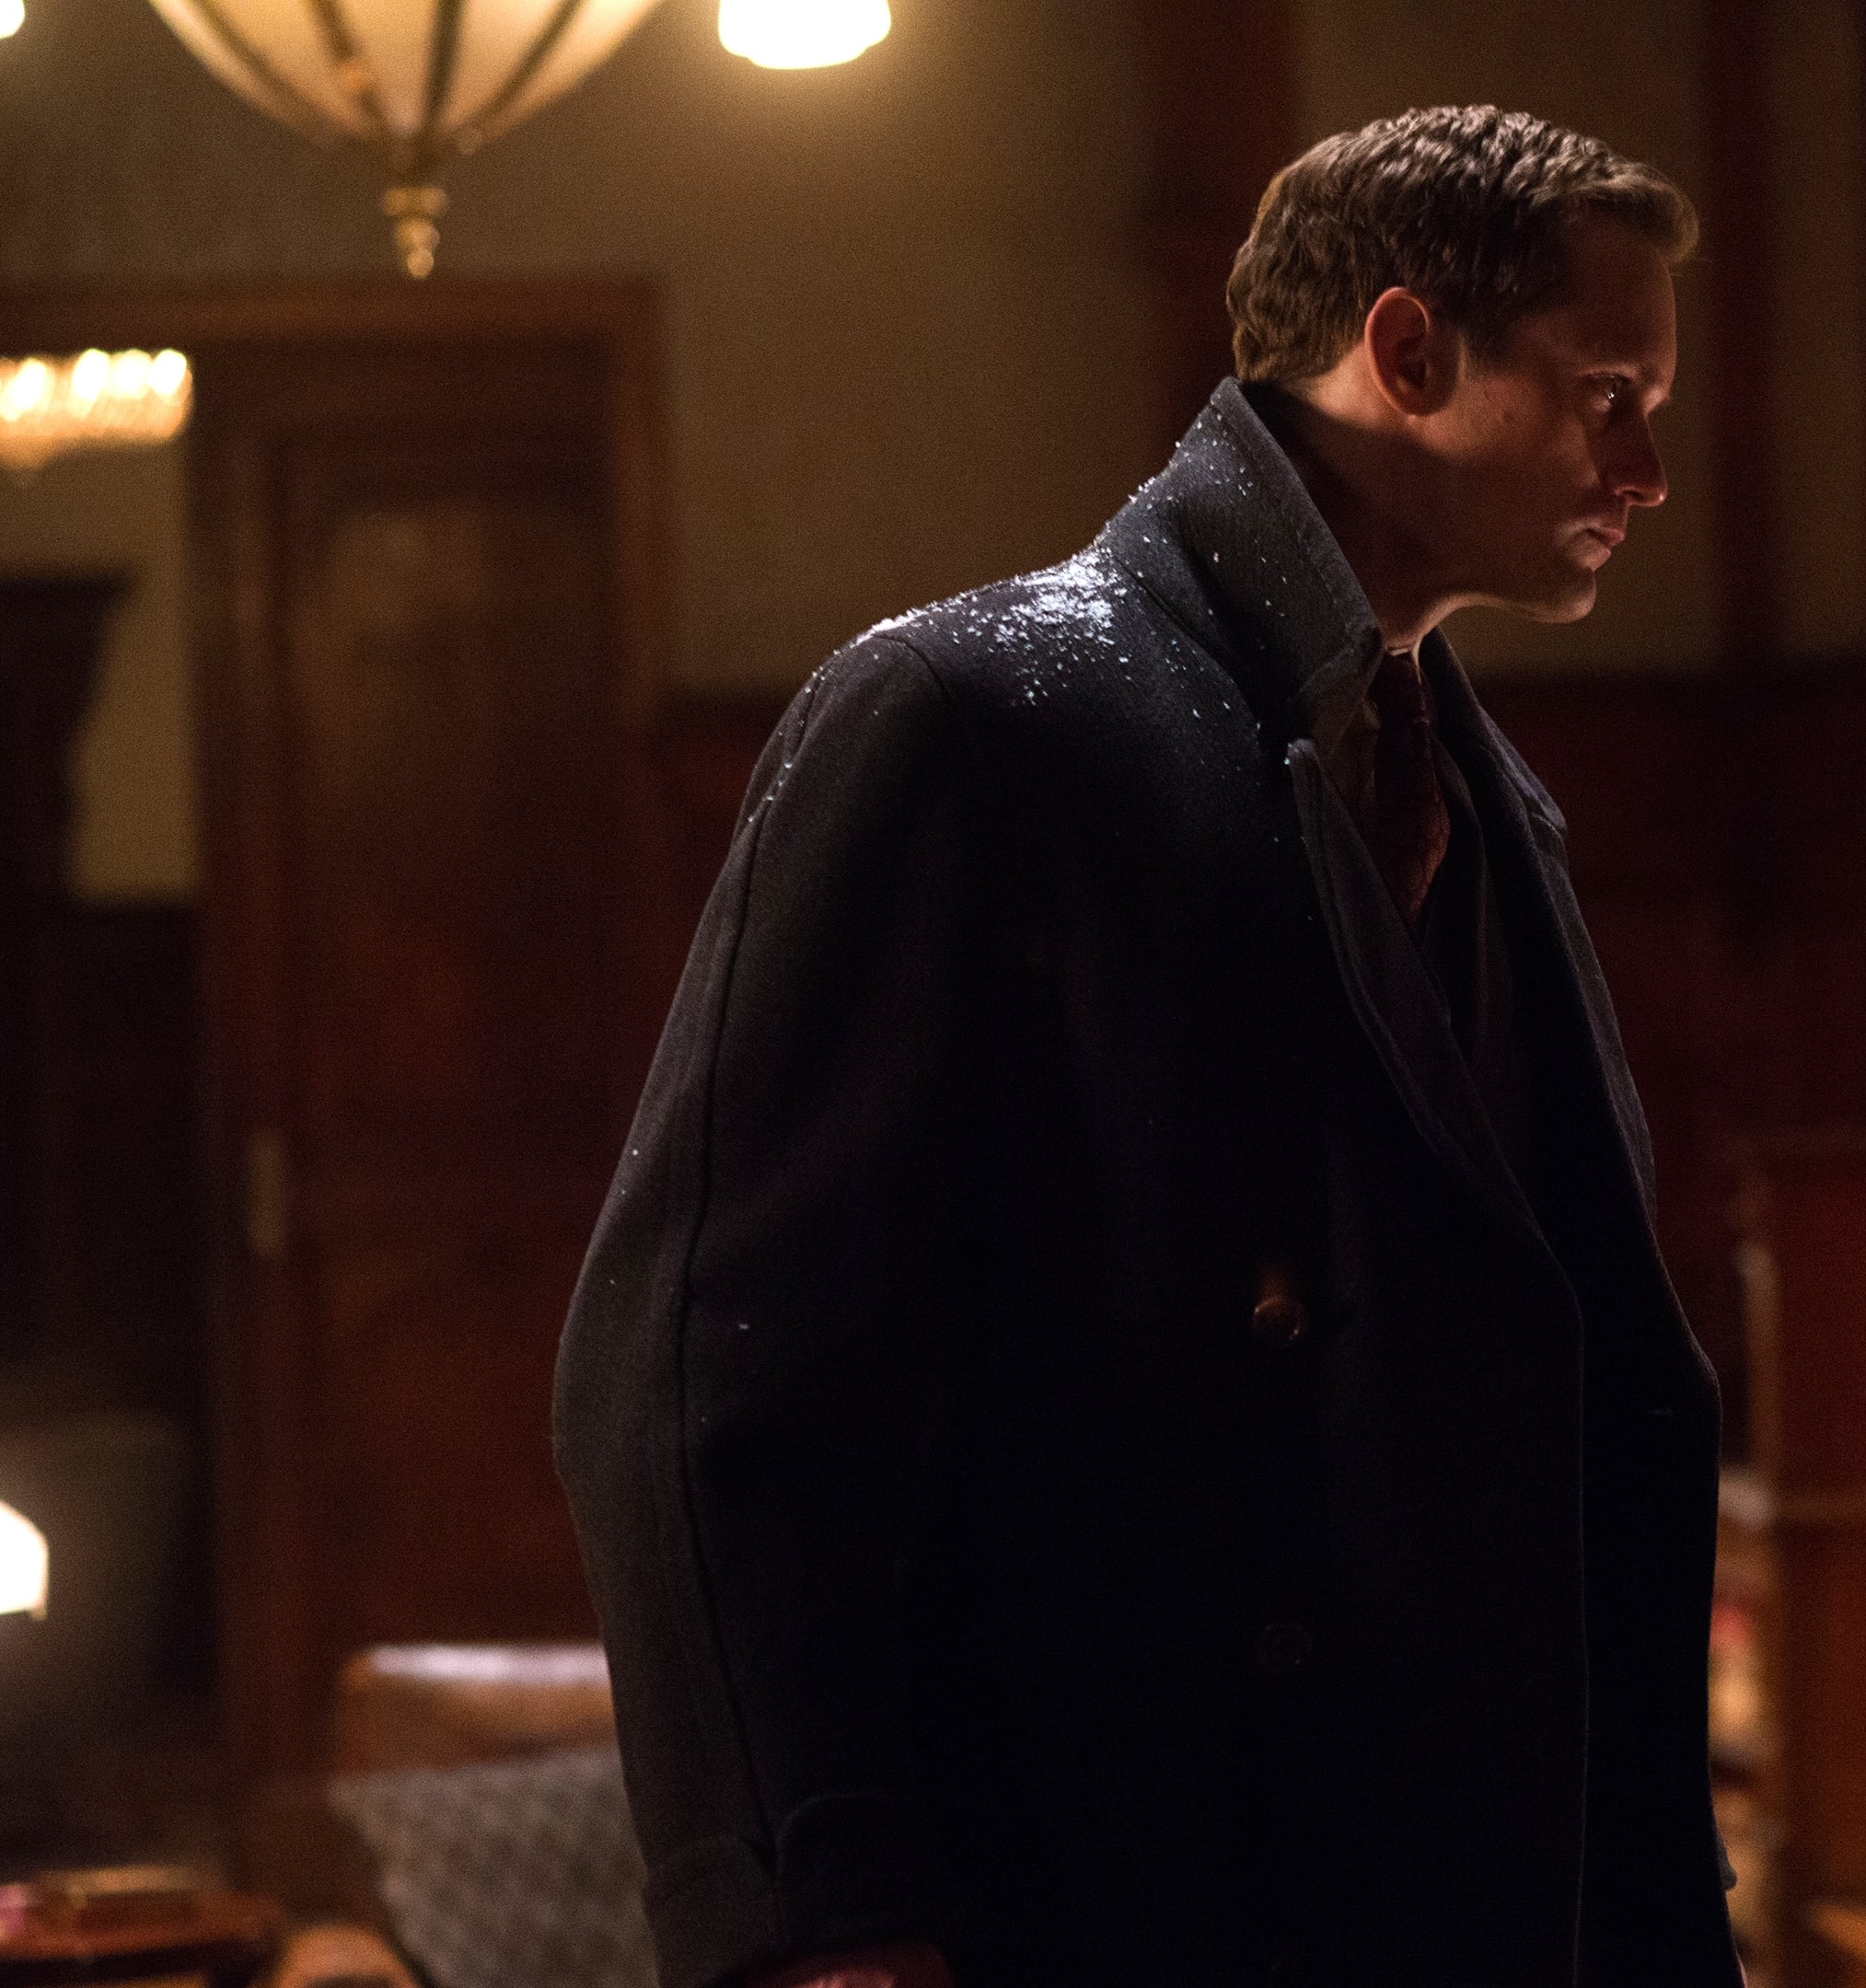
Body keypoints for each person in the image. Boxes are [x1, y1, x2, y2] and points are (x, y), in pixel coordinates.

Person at [553, 107, 1739, 1988]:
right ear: (1408, 351)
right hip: (1113, 1883)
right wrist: (818, 1914)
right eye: (1608, 395)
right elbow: (698, 1371)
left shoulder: (1491, 796)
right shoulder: (964, 717)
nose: (1649, 472)